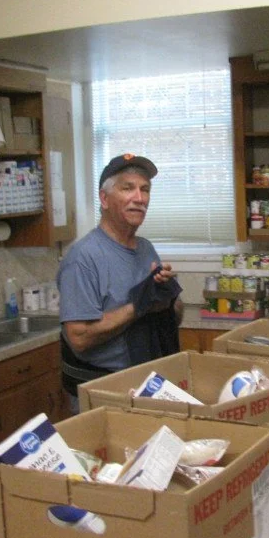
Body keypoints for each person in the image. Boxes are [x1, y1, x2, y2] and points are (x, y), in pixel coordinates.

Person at [57, 153, 184, 413]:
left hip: (144, 384)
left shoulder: (146, 248)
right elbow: (78, 338)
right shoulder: (84, 258)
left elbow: (174, 316)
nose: (140, 198)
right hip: (103, 393)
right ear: (104, 199)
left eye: (145, 189)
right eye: (128, 188)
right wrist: (138, 306)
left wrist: (167, 296)